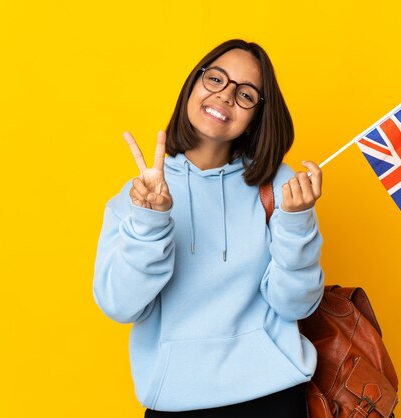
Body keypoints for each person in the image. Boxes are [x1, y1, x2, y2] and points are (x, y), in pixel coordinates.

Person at [93, 39, 324, 417]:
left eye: (246, 93)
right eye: (216, 79)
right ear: (194, 83)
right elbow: (120, 306)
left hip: (272, 397)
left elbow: (295, 304)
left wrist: (298, 223)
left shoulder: (279, 185)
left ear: (258, 115)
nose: (226, 96)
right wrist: (151, 222)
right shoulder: (140, 192)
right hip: (174, 401)